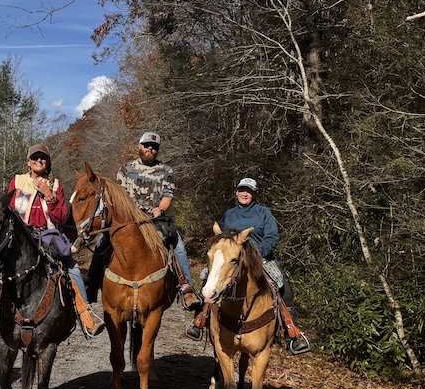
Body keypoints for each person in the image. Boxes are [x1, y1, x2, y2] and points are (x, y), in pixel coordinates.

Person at [0, 144, 105, 340]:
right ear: (28, 162)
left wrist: (49, 194)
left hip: (48, 236)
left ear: (48, 162)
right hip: (20, 236)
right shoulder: (18, 181)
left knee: (71, 268)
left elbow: (62, 216)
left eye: (43, 158)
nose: (39, 160)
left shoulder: (56, 186)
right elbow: (9, 210)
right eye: (35, 157)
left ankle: (87, 315)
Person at [87, 132, 197, 331]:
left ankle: (186, 289)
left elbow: (167, 195)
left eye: (154, 147)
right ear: (139, 146)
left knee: (177, 244)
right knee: (103, 243)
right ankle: (91, 286)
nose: (150, 149)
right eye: (147, 145)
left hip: (155, 219)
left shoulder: (166, 170)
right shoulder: (126, 168)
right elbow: (118, 195)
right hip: (128, 219)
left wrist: (160, 209)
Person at [204, 177, 310, 354]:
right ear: (237, 192)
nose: (245, 194)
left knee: (282, 285)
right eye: (242, 190)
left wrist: (258, 253)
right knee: (207, 277)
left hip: (261, 258)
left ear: (254, 194)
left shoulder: (264, 213)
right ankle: (201, 319)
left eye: (249, 191)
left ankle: (291, 333)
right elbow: (222, 237)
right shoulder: (229, 214)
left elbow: (272, 236)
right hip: (232, 260)